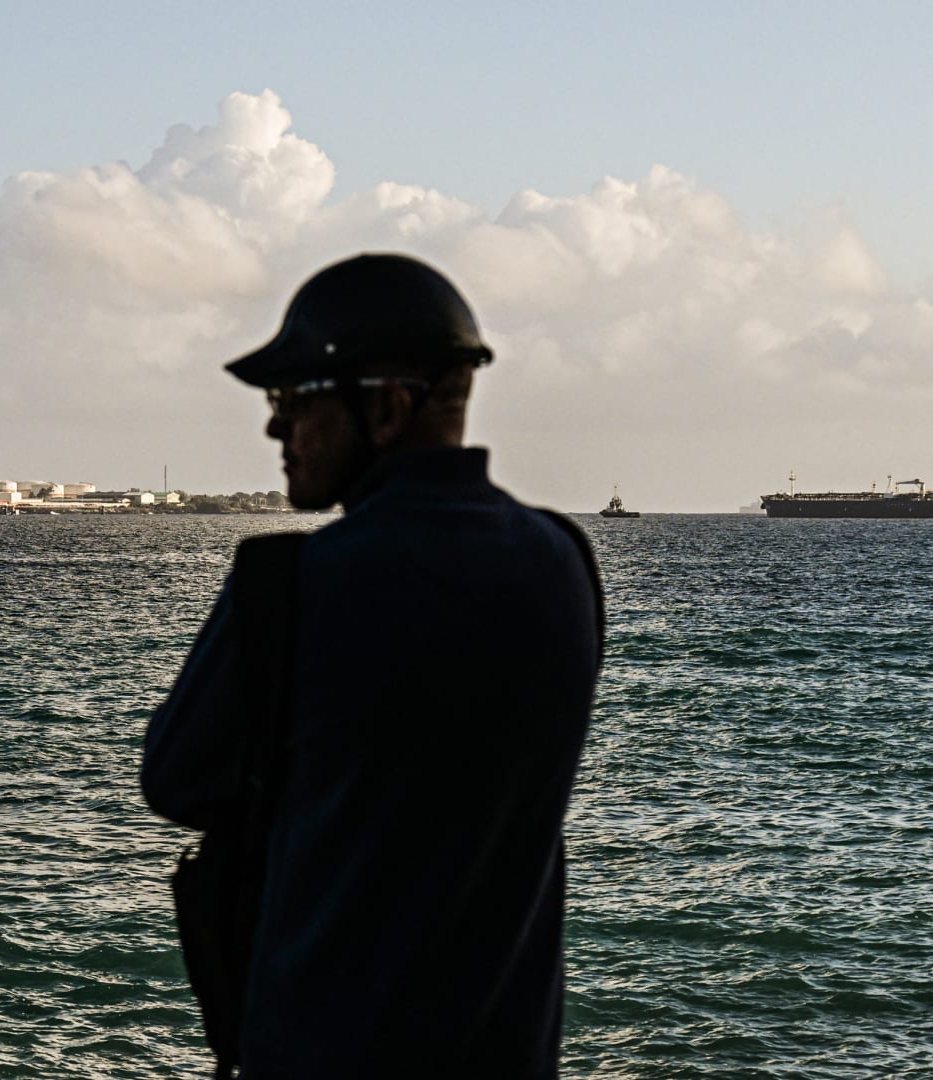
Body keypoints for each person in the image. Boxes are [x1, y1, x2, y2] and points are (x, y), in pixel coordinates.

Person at [143, 253, 603, 1078]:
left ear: (387, 407)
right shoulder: (563, 560)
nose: (276, 429)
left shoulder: (289, 585)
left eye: (294, 399)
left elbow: (175, 782)